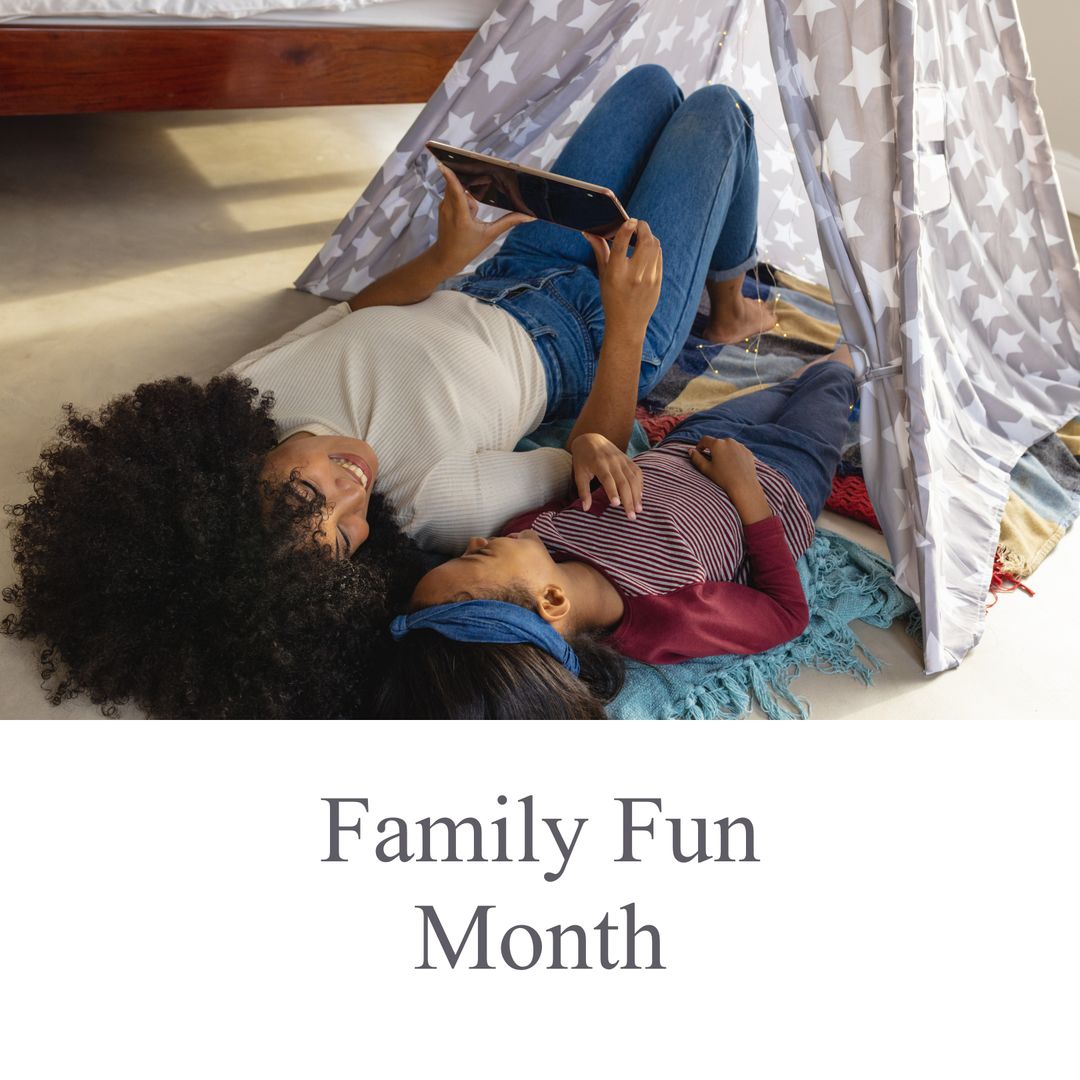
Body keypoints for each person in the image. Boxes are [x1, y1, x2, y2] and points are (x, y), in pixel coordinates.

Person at [3, 65, 770, 717]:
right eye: (341, 537)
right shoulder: (430, 504)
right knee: (718, 111)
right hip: (589, 335)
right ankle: (729, 309)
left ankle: (692, 280)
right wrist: (630, 325)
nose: (352, 494)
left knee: (649, 85)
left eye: (311, 496)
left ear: (221, 477)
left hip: (503, 272)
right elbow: (590, 457)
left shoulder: (243, 396)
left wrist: (443, 257)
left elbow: (358, 315)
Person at [375, 350, 857, 719]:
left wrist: (588, 445)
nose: (474, 542)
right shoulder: (668, 614)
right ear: (551, 601)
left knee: (791, 383)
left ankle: (818, 369)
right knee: (835, 380)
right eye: (474, 559)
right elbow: (785, 614)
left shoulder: (530, 533)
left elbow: (590, 465)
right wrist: (744, 488)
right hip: (783, 478)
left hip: (696, 441)